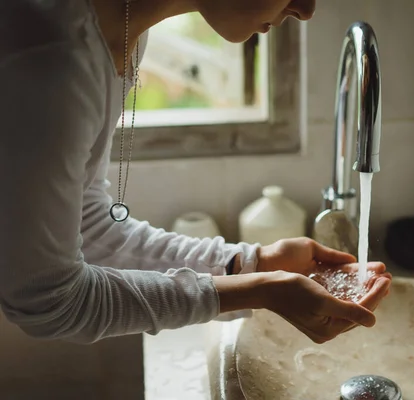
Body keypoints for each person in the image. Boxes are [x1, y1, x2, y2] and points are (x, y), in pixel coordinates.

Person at [0, 0, 391, 346]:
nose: (306, 9)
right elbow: (48, 300)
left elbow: (87, 225)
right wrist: (256, 291)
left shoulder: (117, 31)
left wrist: (252, 263)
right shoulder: (53, 61)